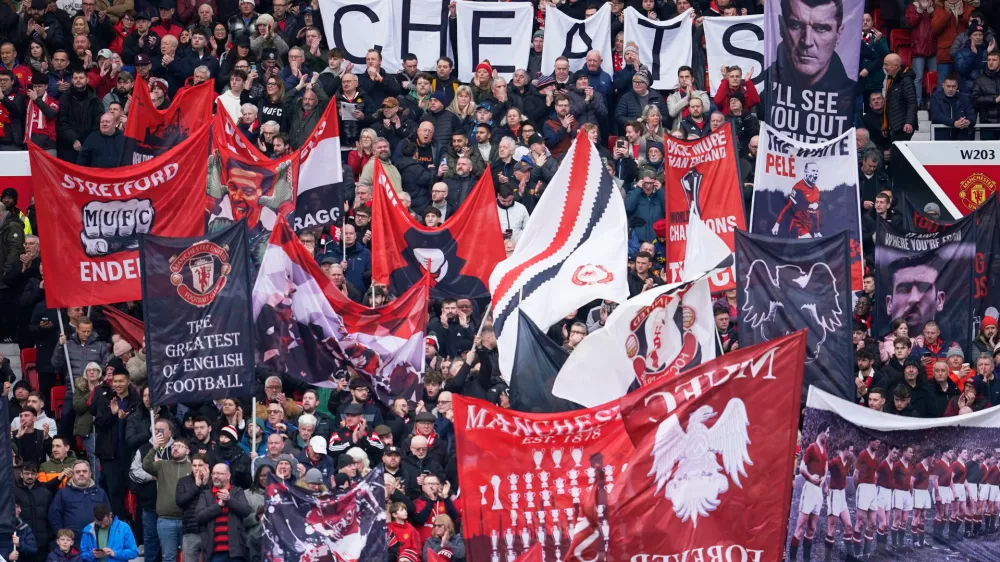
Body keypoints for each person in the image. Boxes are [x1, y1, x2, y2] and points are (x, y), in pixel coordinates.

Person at [143, 435, 193, 562]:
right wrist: (154, 448)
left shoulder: (193, 467)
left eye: (179, 446)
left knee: (189, 558)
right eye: (173, 446)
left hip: (187, 520)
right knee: (168, 558)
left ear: (187, 451)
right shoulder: (162, 465)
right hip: (166, 520)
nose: (175, 448)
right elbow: (146, 465)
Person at [195, 464, 254, 562]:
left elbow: (246, 511)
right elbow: (199, 517)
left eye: (219, 473)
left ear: (228, 476)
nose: (215, 476)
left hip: (235, 551)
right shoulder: (206, 495)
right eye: (213, 473)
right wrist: (218, 506)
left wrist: (229, 500)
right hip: (214, 551)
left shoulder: (237, 492)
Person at [789, 428, 829, 561]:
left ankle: (806, 558)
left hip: (818, 492)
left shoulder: (825, 448)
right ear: (821, 432)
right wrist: (811, 478)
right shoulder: (812, 447)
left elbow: (826, 465)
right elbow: (801, 468)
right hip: (810, 488)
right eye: (827, 432)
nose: (828, 435)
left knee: (812, 528)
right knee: (800, 527)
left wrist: (824, 483)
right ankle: (793, 559)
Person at [48, 461, 111, 541]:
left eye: (85, 471)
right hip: (72, 545)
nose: (81, 474)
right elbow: (54, 517)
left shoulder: (100, 492)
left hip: (96, 542)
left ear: (90, 474)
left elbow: (109, 515)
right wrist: (62, 537)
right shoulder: (63, 493)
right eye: (78, 472)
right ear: (73, 475)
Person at [885, 253, 945, 336]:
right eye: (903, 290)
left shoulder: (948, 347)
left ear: (940, 300)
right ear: (889, 304)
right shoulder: (881, 347)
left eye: (924, 288)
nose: (914, 299)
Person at [771, 161, 821, 238]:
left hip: (810, 227)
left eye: (817, 171)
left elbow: (815, 212)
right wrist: (777, 224)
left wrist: (817, 231)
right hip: (798, 225)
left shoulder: (816, 190)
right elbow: (788, 207)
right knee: (808, 241)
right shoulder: (798, 187)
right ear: (806, 172)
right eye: (813, 171)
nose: (816, 173)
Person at [882, 54, 918, 142]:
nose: (884, 67)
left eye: (886, 64)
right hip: (895, 126)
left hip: (903, 127)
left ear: (895, 66)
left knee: (898, 155)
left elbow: (912, 102)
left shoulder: (906, 80)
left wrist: (909, 122)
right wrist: (886, 126)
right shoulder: (892, 80)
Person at [973, 51, 1000, 139]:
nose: (991, 62)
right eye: (989, 60)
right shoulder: (979, 80)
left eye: (994, 60)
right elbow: (975, 100)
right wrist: (994, 99)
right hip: (988, 125)